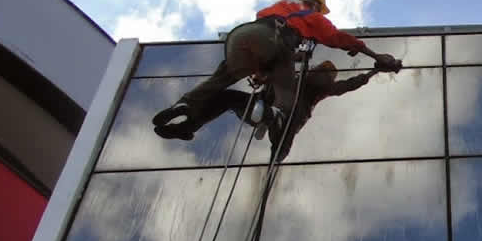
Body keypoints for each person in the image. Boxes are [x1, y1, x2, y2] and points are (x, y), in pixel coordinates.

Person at [152, 0, 401, 142]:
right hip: (274, 41)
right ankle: (277, 115)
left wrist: (261, 71)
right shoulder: (314, 17)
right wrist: (376, 57)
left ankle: (185, 107)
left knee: (221, 80)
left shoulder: (279, 5)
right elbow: (338, 38)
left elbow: (263, 47)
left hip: (242, 35)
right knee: (284, 85)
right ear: (315, 5)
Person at [153, 61, 384, 162]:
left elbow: (348, 85)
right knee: (228, 98)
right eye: (320, 70)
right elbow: (347, 85)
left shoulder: (316, 88)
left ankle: (189, 125)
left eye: (323, 73)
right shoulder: (297, 78)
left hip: (283, 118)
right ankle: (187, 127)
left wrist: (371, 74)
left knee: (232, 100)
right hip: (263, 110)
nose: (320, 74)